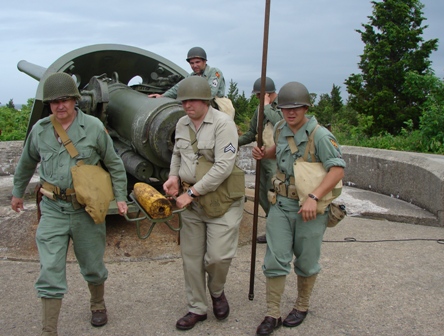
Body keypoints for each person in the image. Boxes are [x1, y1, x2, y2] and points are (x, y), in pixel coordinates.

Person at [10, 72, 128, 335]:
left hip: (85, 210)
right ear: (48, 104)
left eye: (65, 100)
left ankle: (97, 304)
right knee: (50, 270)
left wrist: (120, 197)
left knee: (93, 266)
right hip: (53, 209)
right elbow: (26, 163)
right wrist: (18, 193)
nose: (60, 106)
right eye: (54, 101)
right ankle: (48, 329)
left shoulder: (94, 128)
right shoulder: (40, 131)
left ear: (75, 100)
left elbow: (114, 165)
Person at [252, 81, 346, 336]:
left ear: (306, 108)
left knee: (306, 261)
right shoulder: (281, 127)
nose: (290, 112)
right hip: (281, 205)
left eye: (296, 108)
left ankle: (302, 305)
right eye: (285, 108)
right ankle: (272, 312)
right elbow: (279, 152)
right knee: (275, 258)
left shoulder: (321, 136)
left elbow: (337, 169)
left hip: (311, 209)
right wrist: (264, 154)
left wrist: (314, 197)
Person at [163, 76, 244, 331]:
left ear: (206, 100)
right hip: (192, 205)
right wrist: (173, 178)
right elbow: (177, 154)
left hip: (222, 201)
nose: (187, 105)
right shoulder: (181, 124)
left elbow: (223, 166)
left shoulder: (223, 124)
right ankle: (197, 307)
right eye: (184, 101)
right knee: (192, 258)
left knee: (218, 257)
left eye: (192, 100)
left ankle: (217, 291)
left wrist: (192, 193)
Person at [238, 77, 283, 244]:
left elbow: (281, 123)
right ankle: (274, 229)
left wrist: (266, 106)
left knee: (276, 196)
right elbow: (251, 133)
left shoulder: (282, 106)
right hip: (263, 158)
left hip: (278, 160)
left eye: (260, 95)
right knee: (263, 196)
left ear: (268, 94)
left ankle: (281, 231)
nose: (258, 98)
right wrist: (233, 143)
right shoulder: (260, 109)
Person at [149, 46, 225, 100]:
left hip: (216, 105)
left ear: (204, 61)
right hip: (200, 105)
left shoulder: (214, 72)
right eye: (192, 63)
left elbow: (210, 93)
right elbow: (178, 88)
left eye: (197, 62)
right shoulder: (191, 76)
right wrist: (162, 96)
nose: (195, 65)